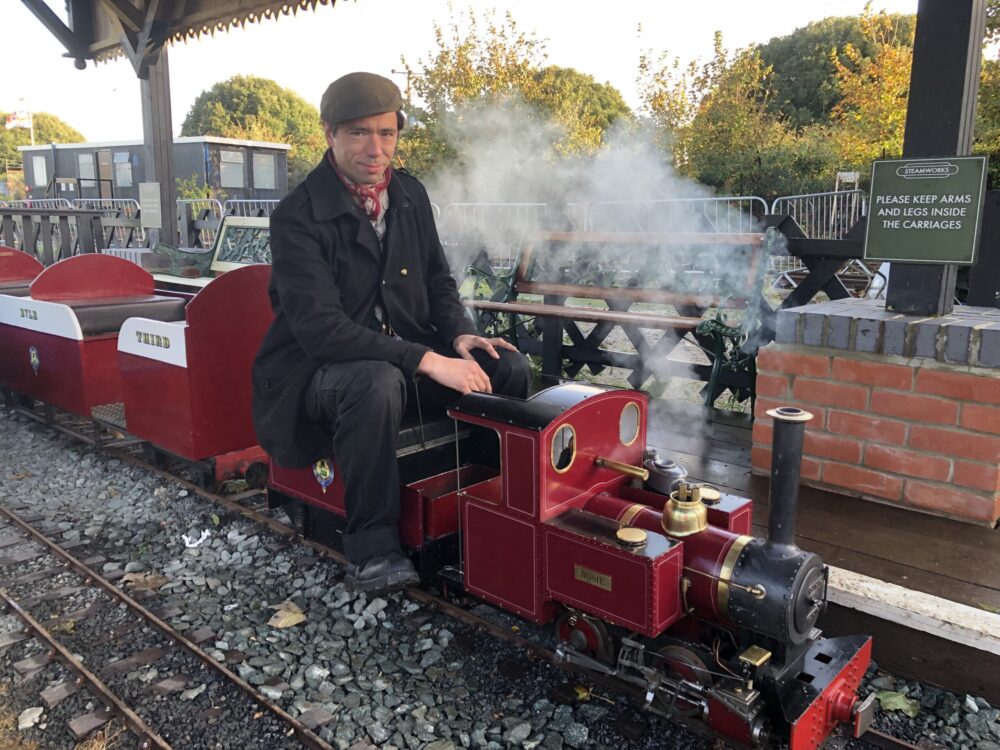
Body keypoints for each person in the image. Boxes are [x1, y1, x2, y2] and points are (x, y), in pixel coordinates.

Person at [252, 72, 531, 595]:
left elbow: (437, 280)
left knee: (507, 365)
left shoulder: (409, 195)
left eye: (387, 132)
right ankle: (371, 547)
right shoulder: (297, 216)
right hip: (313, 376)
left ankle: (490, 506)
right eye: (359, 133)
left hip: (397, 360)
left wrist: (459, 337)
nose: (375, 148)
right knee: (375, 381)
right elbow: (323, 332)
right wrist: (428, 360)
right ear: (329, 134)